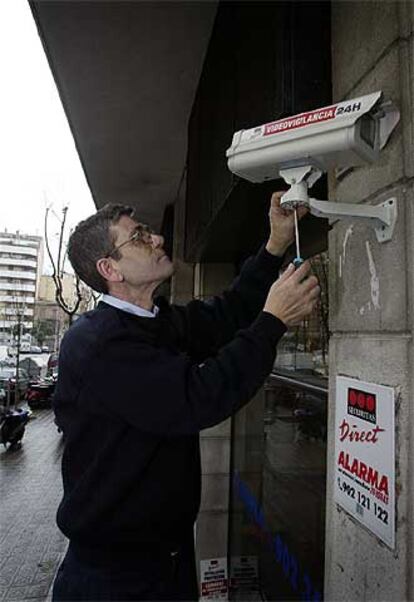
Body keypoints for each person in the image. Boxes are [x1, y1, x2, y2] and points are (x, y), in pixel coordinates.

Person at [52, 191, 319, 601]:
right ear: (110, 269)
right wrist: (273, 321)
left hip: (167, 560)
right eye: (138, 236)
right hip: (116, 580)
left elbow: (227, 314)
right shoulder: (98, 344)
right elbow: (198, 397)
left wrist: (275, 244)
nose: (157, 239)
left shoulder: (154, 321)